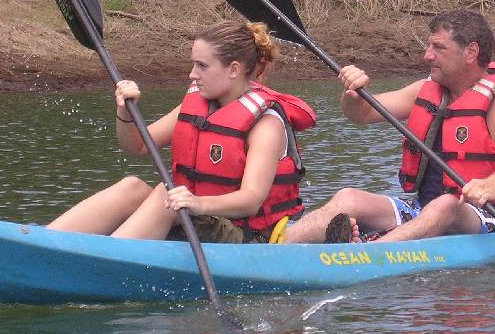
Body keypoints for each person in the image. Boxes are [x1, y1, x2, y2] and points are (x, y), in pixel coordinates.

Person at [283, 9, 495, 244]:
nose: (427, 55)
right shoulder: (426, 91)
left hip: (486, 216)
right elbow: (361, 114)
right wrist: (352, 93)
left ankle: (362, 255)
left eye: (438, 48)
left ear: (471, 51)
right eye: (429, 46)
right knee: (348, 198)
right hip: (422, 210)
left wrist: (493, 183)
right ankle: (274, 247)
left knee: (446, 205)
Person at [48, 20, 315, 243]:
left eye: (202, 65)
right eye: (193, 64)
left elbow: (250, 201)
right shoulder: (199, 104)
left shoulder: (265, 124)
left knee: (167, 194)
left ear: (233, 69)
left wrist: (196, 204)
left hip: (245, 236)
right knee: (132, 187)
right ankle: (45, 242)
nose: (192, 74)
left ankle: (103, 262)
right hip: (197, 216)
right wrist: (126, 113)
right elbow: (138, 145)